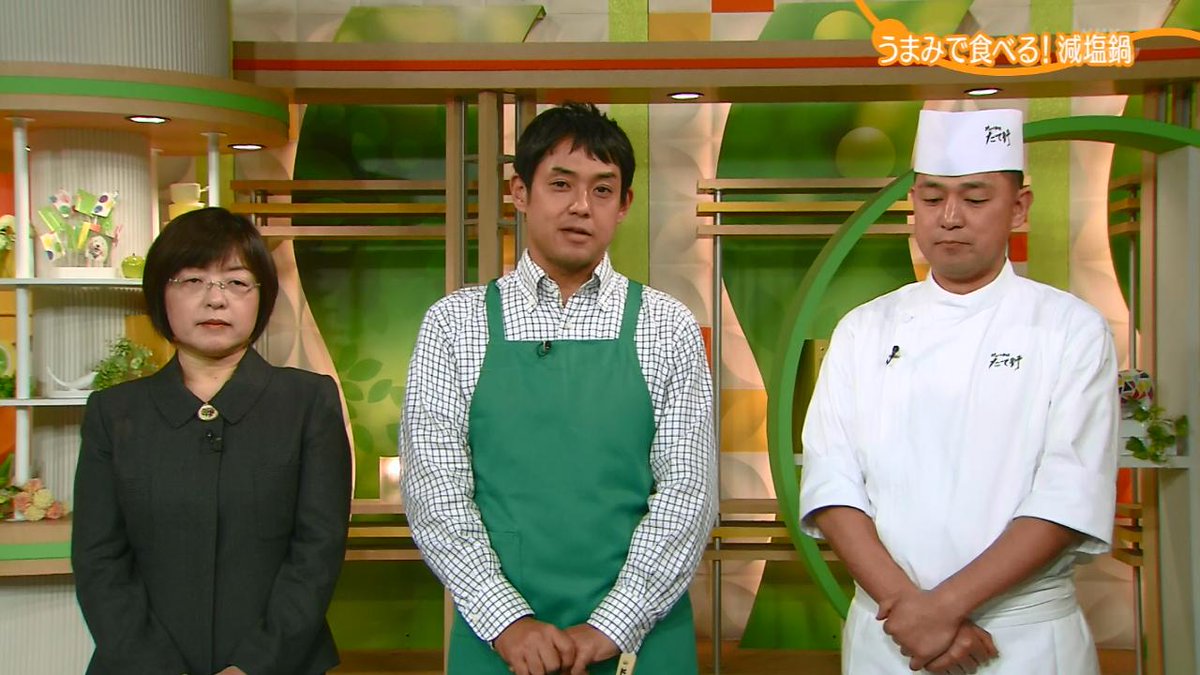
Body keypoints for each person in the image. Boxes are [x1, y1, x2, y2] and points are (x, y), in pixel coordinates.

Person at [401, 102, 716, 675]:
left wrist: (612, 625)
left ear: (624, 205)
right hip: (499, 642)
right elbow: (434, 492)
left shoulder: (668, 325)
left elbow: (688, 493)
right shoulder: (454, 324)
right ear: (520, 192)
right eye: (561, 184)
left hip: (641, 637)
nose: (580, 206)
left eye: (602, 190)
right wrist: (509, 623)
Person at [799, 108, 1118, 675]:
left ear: (1019, 207)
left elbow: (1067, 494)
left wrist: (940, 610)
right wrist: (910, 612)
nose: (949, 218)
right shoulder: (863, 329)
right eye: (931, 198)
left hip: (1023, 637)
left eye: (975, 199)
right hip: (891, 635)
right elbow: (832, 481)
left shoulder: (1070, 328)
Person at [72, 207, 352, 675]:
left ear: (262, 298)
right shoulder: (114, 412)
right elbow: (99, 560)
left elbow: (317, 552)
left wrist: (255, 666)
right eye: (192, 280)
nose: (215, 299)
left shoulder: (308, 402)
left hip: (281, 664)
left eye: (236, 282)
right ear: (160, 294)